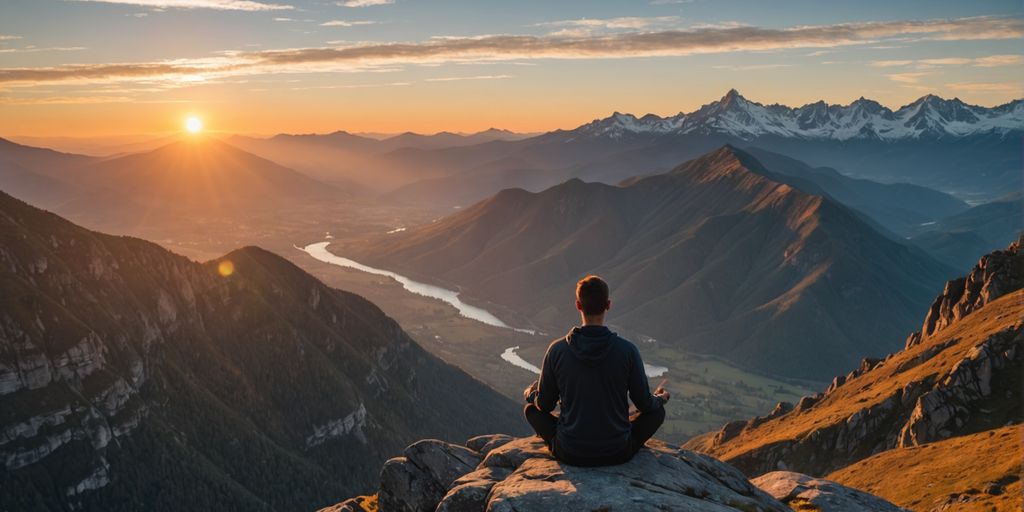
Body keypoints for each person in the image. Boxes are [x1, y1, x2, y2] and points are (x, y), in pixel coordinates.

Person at [522, 275, 669, 466]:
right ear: (608, 305)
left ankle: (564, 441)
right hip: (617, 452)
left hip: (570, 451)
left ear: (578, 305)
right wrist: (661, 398)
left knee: (531, 410)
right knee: (657, 413)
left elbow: (545, 405)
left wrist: (530, 393)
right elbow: (644, 404)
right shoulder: (627, 350)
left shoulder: (557, 350)